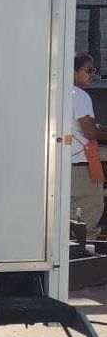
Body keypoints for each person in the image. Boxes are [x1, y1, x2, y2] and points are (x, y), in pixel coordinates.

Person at [72, 53, 107, 237]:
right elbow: (90, 133)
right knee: (89, 216)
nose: (93, 74)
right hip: (82, 168)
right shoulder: (79, 95)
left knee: (70, 218)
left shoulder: (58, 92)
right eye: (89, 70)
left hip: (67, 167)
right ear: (73, 70)